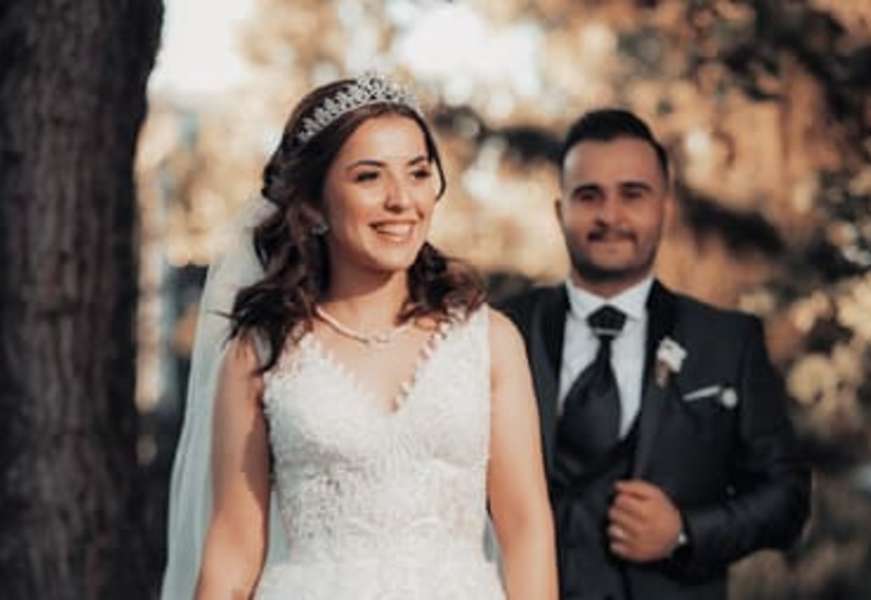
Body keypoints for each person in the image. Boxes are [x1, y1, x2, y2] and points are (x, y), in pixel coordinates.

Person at [160, 72, 557, 600]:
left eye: (418, 173)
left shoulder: (490, 341)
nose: (402, 199)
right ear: (312, 205)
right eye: (369, 177)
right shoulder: (259, 352)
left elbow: (526, 529)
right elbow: (233, 550)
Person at [500, 108, 810, 600]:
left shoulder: (728, 342)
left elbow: (788, 497)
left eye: (632, 194)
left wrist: (686, 531)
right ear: (560, 211)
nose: (610, 216)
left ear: (664, 207)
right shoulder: (500, 330)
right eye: (589, 195)